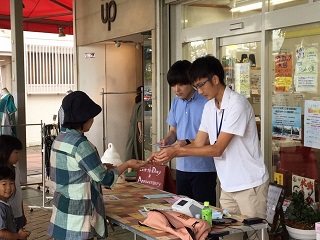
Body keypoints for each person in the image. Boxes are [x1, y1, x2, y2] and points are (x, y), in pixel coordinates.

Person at [149, 55, 269, 220]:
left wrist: (175, 152)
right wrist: (168, 151)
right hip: (227, 185)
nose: (199, 91)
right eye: (196, 86)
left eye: (201, 85)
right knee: (228, 235)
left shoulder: (237, 105)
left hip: (249, 184)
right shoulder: (209, 107)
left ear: (215, 79)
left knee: (256, 235)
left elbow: (217, 149)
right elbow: (198, 143)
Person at [47, 91, 145, 240]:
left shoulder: (60, 139)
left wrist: (99, 165)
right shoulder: (81, 144)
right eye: (90, 117)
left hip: (62, 210)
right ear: (82, 118)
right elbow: (104, 179)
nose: (92, 120)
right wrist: (127, 164)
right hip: (79, 217)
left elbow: (74, 168)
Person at [159, 60, 217, 205]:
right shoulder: (176, 102)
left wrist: (185, 143)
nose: (177, 89)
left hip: (204, 167)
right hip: (181, 166)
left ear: (191, 82)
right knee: (183, 212)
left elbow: (213, 136)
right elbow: (173, 131)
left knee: (205, 213)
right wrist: (167, 140)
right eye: (173, 85)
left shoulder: (207, 102)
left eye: (181, 84)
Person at [0, 135, 27, 232]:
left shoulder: (16, 170)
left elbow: (19, 193)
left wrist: (22, 213)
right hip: (5, 216)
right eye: (16, 152)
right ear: (6, 152)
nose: (18, 156)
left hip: (17, 214)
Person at [0, 166, 31, 239]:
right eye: (4, 184)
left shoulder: (5, 203)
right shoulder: (1, 207)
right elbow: (1, 233)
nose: (8, 187)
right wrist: (19, 236)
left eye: (11, 183)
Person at [125, 86, 143, 171]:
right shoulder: (141, 104)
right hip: (136, 131)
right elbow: (139, 121)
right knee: (136, 151)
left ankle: (129, 173)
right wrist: (141, 132)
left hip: (132, 130)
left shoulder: (136, 104)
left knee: (131, 150)